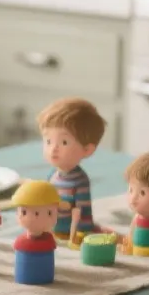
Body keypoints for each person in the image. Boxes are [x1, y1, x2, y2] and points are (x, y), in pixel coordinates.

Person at [37, 97, 106, 245]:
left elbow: (83, 212)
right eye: (48, 141)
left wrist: (82, 235)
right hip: (52, 231)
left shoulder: (79, 181)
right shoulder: (52, 176)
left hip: (70, 235)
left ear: (87, 149)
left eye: (64, 142)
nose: (53, 148)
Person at [11, 179, 62, 285]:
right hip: (25, 278)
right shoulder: (22, 241)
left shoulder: (48, 240)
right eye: (23, 212)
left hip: (43, 279)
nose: (33, 217)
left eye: (49, 213)